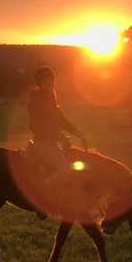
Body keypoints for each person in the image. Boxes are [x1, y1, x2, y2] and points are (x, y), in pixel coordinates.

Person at [27, 66, 87, 215]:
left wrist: (76, 132)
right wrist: (57, 135)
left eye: (51, 79)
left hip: (51, 141)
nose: (50, 82)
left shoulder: (49, 96)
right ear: (39, 82)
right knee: (63, 169)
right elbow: (36, 125)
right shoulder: (38, 99)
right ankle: (40, 199)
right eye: (46, 79)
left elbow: (59, 119)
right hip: (43, 142)